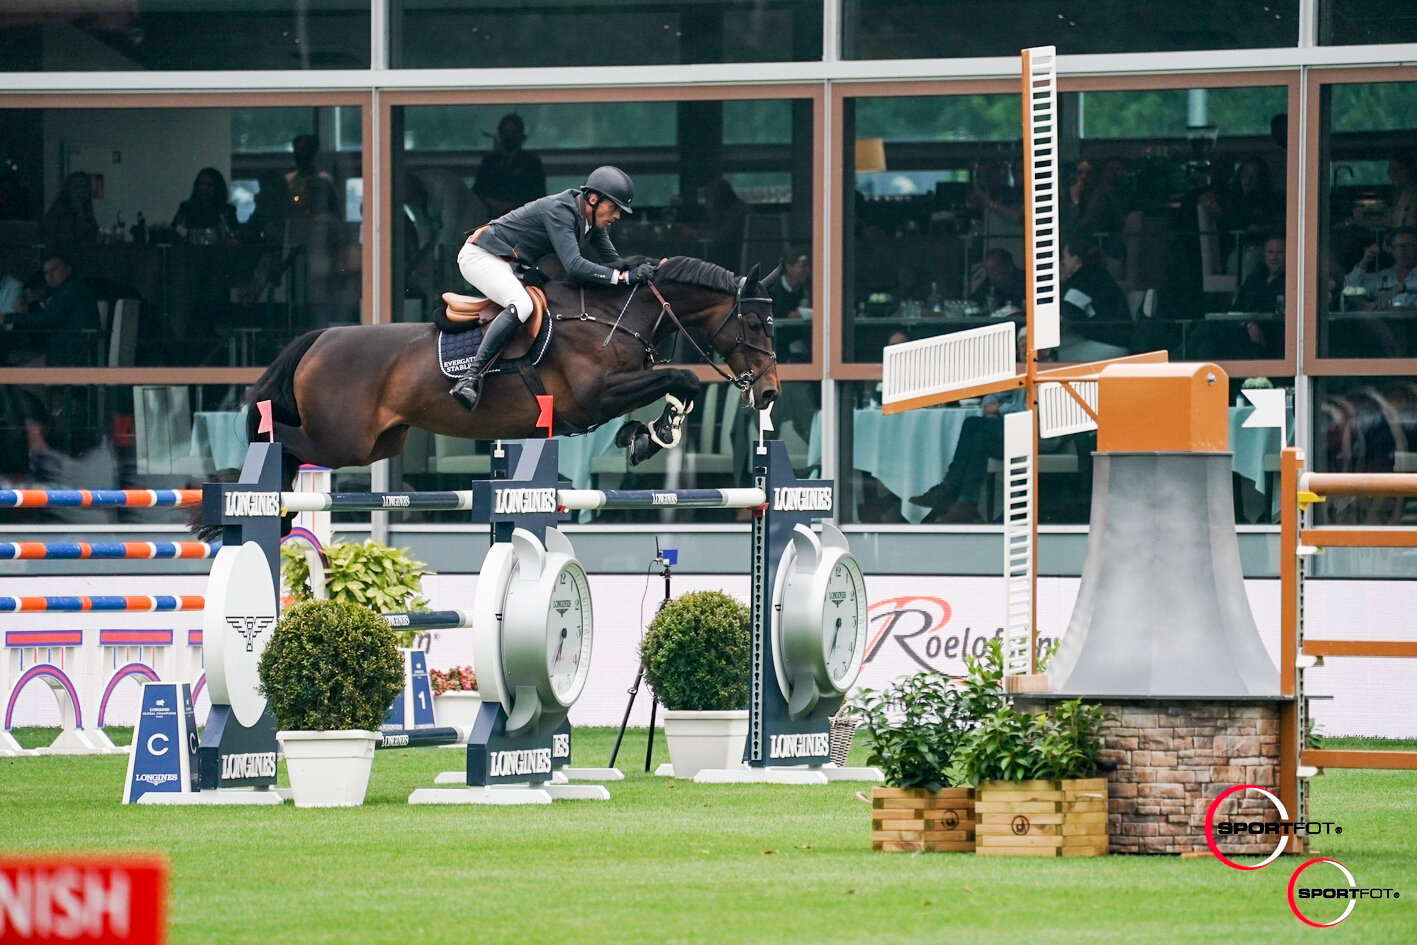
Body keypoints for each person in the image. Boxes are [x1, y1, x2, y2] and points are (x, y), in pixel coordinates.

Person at [448, 165, 655, 411]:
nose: (617, 216)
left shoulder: (591, 223)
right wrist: (624, 278)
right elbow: (575, 266)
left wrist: (649, 266)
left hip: (509, 263)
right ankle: (470, 378)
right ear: (592, 198)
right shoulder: (561, 210)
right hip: (481, 256)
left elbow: (614, 262)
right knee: (522, 305)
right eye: (615, 208)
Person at [0, 254, 100, 366]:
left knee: (20, 377)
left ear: (67, 269)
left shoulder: (72, 289)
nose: (50, 276)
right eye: (46, 273)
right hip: (67, 352)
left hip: (73, 355)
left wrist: (7, 318)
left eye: (54, 269)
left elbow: (47, 319)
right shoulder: (65, 290)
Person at [472, 114, 547, 219]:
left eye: (514, 132)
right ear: (500, 133)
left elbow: (539, 198)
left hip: (522, 222)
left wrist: (512, 207)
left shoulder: (532, 163)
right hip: (490, 220)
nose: (510, 136)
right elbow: (476, 194)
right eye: (506, 131)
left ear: (521, 134)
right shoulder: (489, 162)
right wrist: (491, 204)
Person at [1344, 226, 1417, 308]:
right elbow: (1350, 290)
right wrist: (1363, 263)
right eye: (1398, 247)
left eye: (1408, 246)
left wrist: (1401, 288)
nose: (1402, 252)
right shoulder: (1385, 277)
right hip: (1385, 320)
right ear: (1391, 250)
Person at [171, 167, 239, 244]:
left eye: (209, 185)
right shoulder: (186, 208)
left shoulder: (227, 211)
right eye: (201, 183)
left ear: (217, 187)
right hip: (190, 252)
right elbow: (177, 229)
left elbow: (232, 235)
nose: (204, 188)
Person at [284, 134, 341, 219]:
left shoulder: (325, 181)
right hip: (294, 226)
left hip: (319, 228)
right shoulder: (287, 181)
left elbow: (334, 212)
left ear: (313, 154)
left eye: (304, 151)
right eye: (297, 152)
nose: (300, 156)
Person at [41, 171, 99, 245]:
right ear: (68, 190)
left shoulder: (88, 211)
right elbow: (69, 239)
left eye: (85, 187)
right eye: (76, 187)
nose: (81, 191)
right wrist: (79, 213)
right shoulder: (59, 211)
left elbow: (93, 235)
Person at [970, 248, 1026, 313]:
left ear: (1009, 268)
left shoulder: (1028, 282)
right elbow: (973, 303)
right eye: (988, 274)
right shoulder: (988, 284)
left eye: (996, 273)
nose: (992, 279)